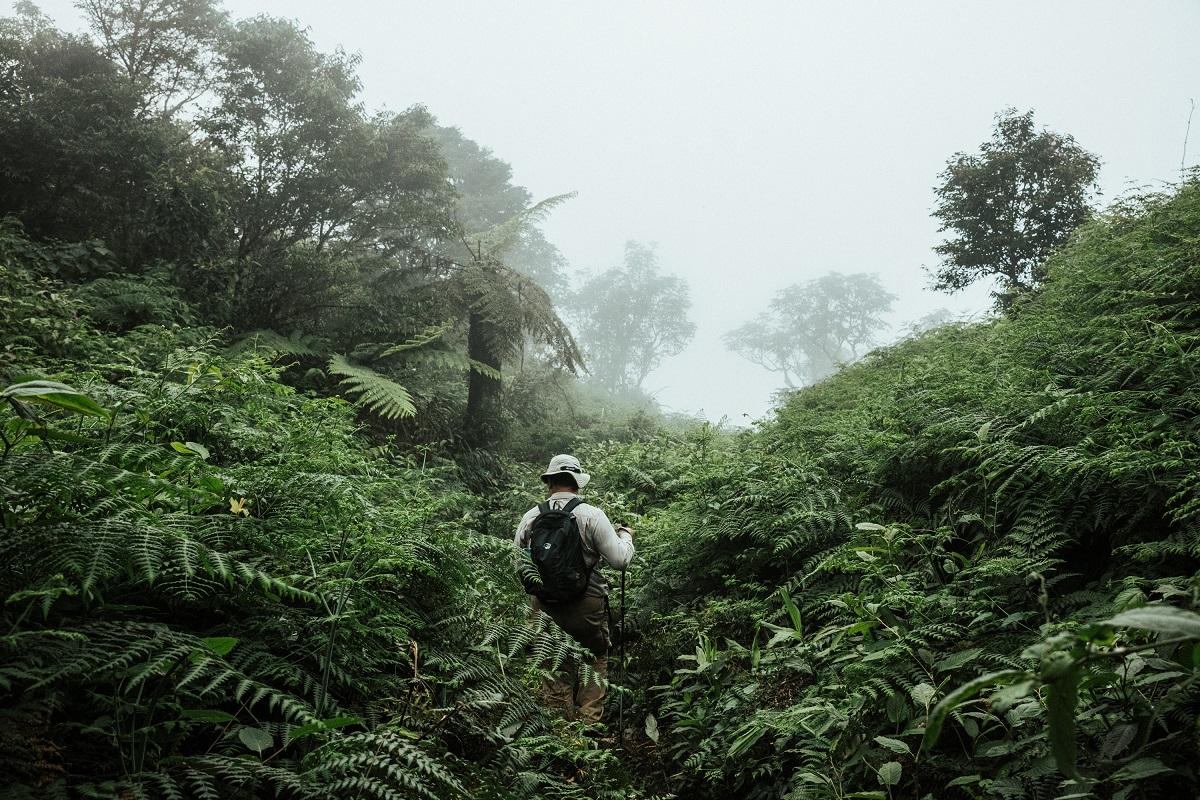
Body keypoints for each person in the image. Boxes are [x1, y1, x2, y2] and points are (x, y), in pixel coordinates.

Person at [513, 454, 634, 725]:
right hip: (587, 605)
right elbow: (620, 560)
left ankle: (559, 731)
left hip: (544, 607)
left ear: (549, 483)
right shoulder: (591, 515)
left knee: (554, 662)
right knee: (594, 657)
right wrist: (625, 536)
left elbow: (518, 565)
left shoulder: (531, 517)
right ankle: (589, 727)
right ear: (578, 483)